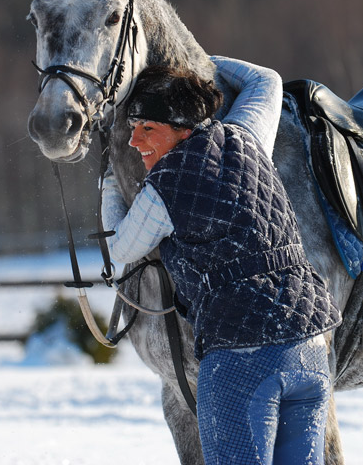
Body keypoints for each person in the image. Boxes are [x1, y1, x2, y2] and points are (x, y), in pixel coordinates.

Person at [101, 56, 341, 465]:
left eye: (148, 129)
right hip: (312, 351)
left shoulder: (166, 185)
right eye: (132, 129)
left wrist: (109, 184)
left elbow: (122, 248)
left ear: (182, 129)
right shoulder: (247, 136)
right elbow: (265, 79)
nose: (134, 142)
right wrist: (203, 62)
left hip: (243, 360)